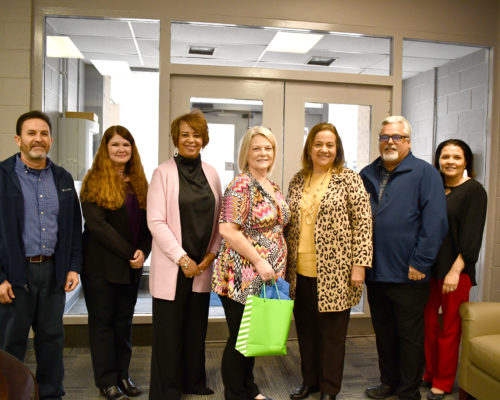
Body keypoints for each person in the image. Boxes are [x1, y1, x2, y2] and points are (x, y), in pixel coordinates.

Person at [359, 116, 448, 400]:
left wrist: (420, 262)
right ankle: (388, 382)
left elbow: (435, 223)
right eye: (385, 136)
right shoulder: (366, 173)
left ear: (408, 141)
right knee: (383, 333)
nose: (390, 142)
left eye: (397, 137)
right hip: (376, 271)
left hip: (409, 272)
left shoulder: (425, 174)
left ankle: (408, 390)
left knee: (409, 335)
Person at [285, 123, 373, 400]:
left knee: (332, 336)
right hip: (299, 270)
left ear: (337, 149)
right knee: (307, 332)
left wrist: (359, 265)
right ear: (309, 148)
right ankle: (309, 381)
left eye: (330, 145)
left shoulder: (349, 179)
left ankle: (329, 388)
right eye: (318, 144)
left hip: (337, 272)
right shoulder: (298, 179)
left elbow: (363, 224)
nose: (324, 149)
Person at [0, 110, 82, 399]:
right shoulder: (2, 176)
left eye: (44, 133)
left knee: (51, 341)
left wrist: (73, 267)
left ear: (50, 139)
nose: (38, 139)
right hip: (14, 276)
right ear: (18, 139)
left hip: (52, 273)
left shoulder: (62, 177)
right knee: (11, 344)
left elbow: (74, 226)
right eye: (31, 133)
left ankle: (50, 394)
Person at [147, 110, 222, 400]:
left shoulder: (212, 173)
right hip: (174, 267)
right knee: (169, 334)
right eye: (185, 134)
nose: (191, 140)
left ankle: (194, 381)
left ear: (204, 139)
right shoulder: (162, 173)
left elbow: (220, 220)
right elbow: (155, 221)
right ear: (176, 139)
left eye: (196, 134)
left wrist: (210, 255)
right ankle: (168, 390)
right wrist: (183, 259)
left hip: (202, 267)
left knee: (195, 330)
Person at [212, 126, 290, 400]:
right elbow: (227, 230)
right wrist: (259, 261)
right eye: (256, 148)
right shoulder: (241, 185)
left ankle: (249, 389)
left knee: (251, 336)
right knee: (239, 338)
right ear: (245, 153)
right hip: (242, 273)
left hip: (266, 275)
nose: (263, 153)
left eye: (268, 148)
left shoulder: (272, 184)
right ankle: (236, 394)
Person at [80, 125, 152, 400]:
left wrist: (143, 251)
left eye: (126, 145)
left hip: (131, 266)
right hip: (101, 267)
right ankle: (106, 381)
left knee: (124, 324)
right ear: (105, 149)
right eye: (115, 145)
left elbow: (149, 223)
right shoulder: (93, 181)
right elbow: (98, 226)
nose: (121, 149)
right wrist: (130, 253)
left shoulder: (139, 182)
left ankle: (123, 375)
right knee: (102, 324)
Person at [422, 140, 487, 400]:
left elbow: (472, 237)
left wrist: (455, 271)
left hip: (456, 271)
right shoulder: (435, 188)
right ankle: (430, 372)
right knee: (427, 324)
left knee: (450, 327)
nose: (450, 161)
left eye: (456, 157)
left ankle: (444, 380)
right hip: (430, 269)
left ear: (466, 162)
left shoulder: (474, 191)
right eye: (445, 156)